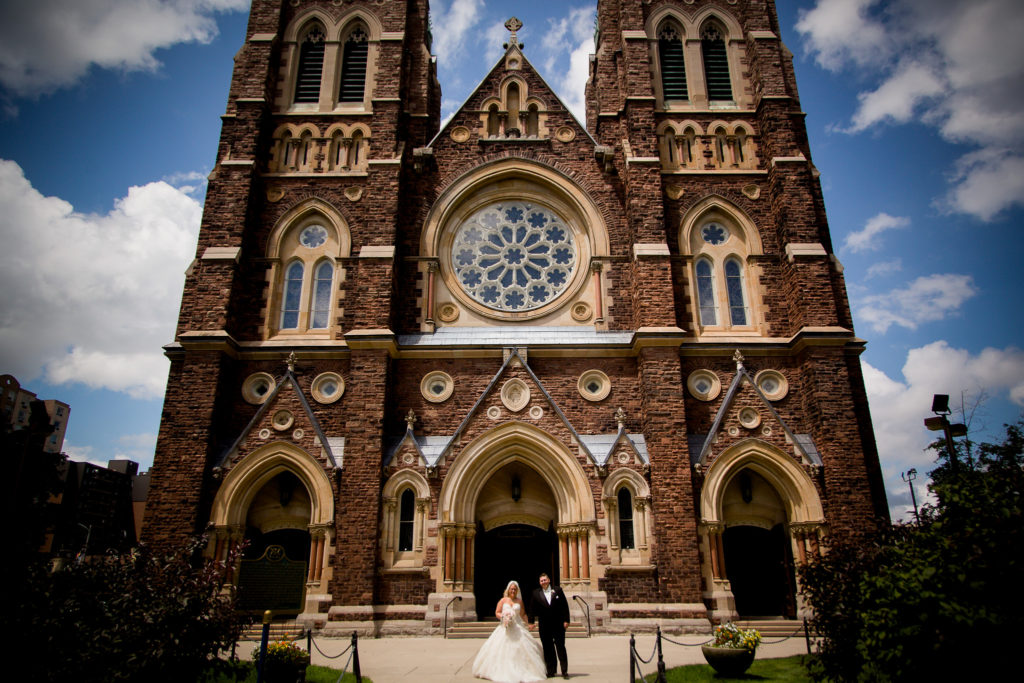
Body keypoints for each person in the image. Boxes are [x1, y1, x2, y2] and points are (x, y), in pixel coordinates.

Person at [472, 580, 547, 683]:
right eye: (511, 589)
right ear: (508, 590)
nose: (513, 591)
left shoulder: (519, 601)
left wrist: (529, 623)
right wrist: (503, 617)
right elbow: (497, 612)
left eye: (515, 589)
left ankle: (523, 670)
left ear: (517, 591)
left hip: (517, 627)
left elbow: (523, 614)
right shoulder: (503, 600)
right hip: (505, 628)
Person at [527, 573, 570, 679]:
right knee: (548, 648)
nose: (543, 582)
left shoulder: (558, 590)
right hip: (544, 625)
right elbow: (531, 608)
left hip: (558, 624)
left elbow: (564, 606)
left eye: (545, 580)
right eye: (541, 580)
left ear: (549, 580)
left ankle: (564, 671)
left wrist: (566, 620)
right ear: (539, 582)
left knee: (560, 647)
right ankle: (551, 671)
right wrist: (531, 622)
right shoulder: (536, 593)